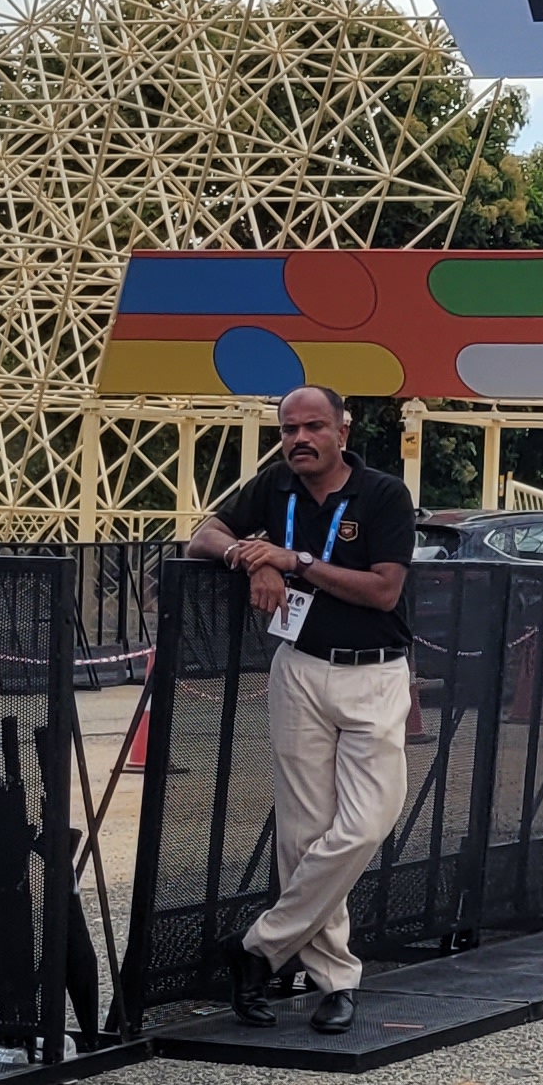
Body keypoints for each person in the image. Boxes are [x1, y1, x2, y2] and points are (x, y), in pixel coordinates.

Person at [183, 383, 415, 1035]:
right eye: (289, 430)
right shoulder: (276, 486)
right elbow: (205, 534)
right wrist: (248, 559)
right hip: (300, 668)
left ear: (343, 429)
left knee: (366, 824)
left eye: (313, 427)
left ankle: (258, 947)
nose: (300, 440)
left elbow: (383, 590)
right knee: (303, 834)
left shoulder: (383, 495)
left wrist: (296, 562)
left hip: (373, 673)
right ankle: (334, 980)